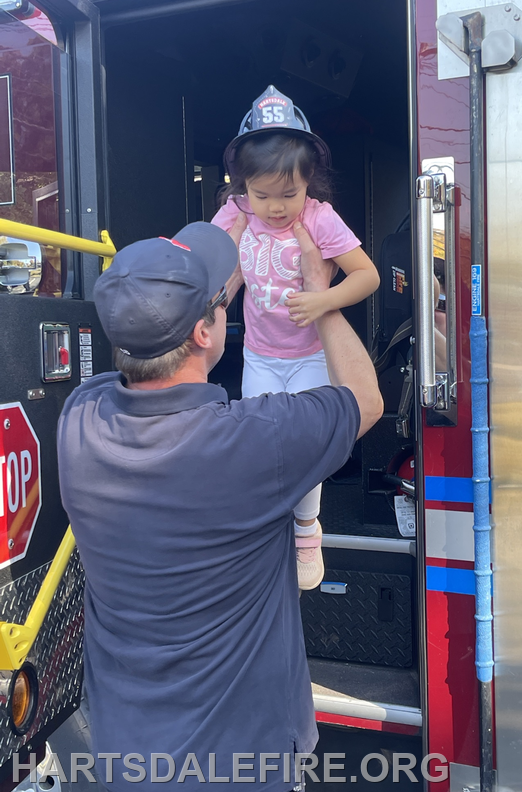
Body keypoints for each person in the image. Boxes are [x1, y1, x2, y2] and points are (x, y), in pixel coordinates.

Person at [56, 216, 383, 791]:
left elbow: (122, 380)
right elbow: (366, 400)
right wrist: (322, 298)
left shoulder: (80, 419)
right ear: (205, 334)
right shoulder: (257, 444)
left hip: (122, 761)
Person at [213, 85, 380, 591]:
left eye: (289, 194)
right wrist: (229, 252)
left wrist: (323, 300)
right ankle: (267, 529)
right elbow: (207, 265)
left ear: (310, 182)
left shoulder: (319, 216)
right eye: (262, 195)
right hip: (260, 355)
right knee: (260, 443)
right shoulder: (238, 211)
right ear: (243, 186)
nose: (276, 207)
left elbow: (366, 276)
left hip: (309, 354)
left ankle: (307, 530)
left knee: (305, 445)